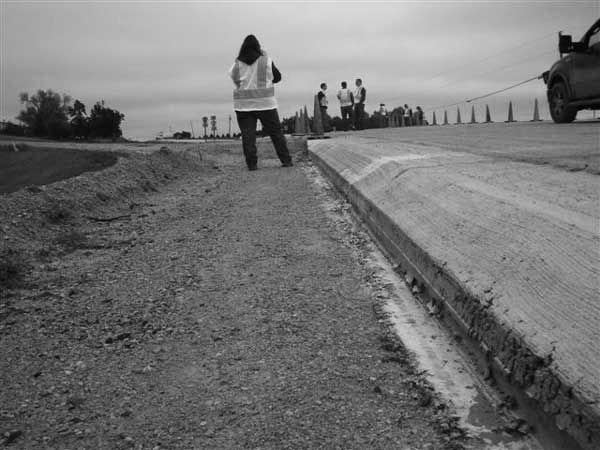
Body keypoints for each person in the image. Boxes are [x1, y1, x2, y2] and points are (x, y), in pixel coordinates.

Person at [228, 34, 293, 171]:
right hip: (266, 104)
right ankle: (286, 160)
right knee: (276, 133)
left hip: (243, 106)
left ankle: (252, 165)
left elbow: (234, 79)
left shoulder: (237, 63)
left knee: (248, 135)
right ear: (258, 46)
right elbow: (278, 77)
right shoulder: (266, 60)